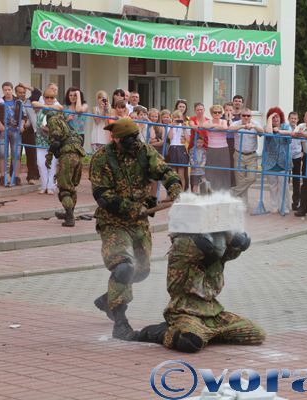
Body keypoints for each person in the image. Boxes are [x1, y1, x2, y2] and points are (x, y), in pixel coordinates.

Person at [89, 118, 182, 340]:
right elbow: (102, 195)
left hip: (139, 223)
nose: (134, 142)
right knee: (124, 268)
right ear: (116, 139)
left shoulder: (144, 151)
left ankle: (109, 299)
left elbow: (164, 171)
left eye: (136, 137)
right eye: (128, 139)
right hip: (113, 222)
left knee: (141, 270)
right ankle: (120, 322)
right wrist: (132, 208)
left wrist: (175, 188)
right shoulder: (102, 158)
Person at [134, 199, 265, 352]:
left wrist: (236, 238)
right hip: (185, 313)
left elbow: (233, 248)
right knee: (189, 341)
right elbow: (193, 244)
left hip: (213, 314)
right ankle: (161, 332)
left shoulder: (217, 252)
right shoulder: (182, 250)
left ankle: (207, 334)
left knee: (256, 334)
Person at [44, 110, 86, 227]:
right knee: (71, 187)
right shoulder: (66, 124)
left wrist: (49, 156)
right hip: (78, 156)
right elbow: (80, 139)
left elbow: (56, 141)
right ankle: (69, 213)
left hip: (67, 157)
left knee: (64, 189)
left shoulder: (53, 120)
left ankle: (70, 218)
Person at [229, 108, 264, 205]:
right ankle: (243, 205)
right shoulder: (236, 123)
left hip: (251, 155)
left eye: (248, 115)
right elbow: (230, 129)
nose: (246, 117)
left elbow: (262, 131)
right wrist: (243, 126)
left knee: (252, 178)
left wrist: (253, 126)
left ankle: (233, 192)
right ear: (240, 116)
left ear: (251, 116)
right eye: (244, 115)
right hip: (238, 155)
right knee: (240, 181)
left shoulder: (255, 123)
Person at [31, 88, 63, 195]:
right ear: (43, 98)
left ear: (54, 98)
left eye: (51, 97)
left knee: (52, 165)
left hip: (53, 142)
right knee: (40, 164)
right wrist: (45, 106)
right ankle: (44, 185)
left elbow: (60, 107)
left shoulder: (56, 107)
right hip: (40, 141)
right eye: (47, 97)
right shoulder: (40, 106)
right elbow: (33, 103)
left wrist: (49, 106)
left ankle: (51, 186)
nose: (49, 99)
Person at [263, 107, 292, 214]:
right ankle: (274, 207)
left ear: (281, 118)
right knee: (272, 186)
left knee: (283, 186)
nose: (275, 119)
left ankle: (284, 206)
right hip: (270, 161)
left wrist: (279, 131)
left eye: (277, 117)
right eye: (273, 117)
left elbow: (290, 133)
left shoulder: (286, 126)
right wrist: (269, 118)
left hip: (283, 161)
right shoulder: (267, 126)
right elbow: (269, 133)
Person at [0, 81, 23, 185]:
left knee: (16, 154)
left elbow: (23, 115)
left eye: (9, 89)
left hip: (15, 131)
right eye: (5, 90)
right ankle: (3, 176)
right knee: (3, 154)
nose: (7, 92)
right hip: (3, 131)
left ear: (12, 90)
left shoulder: (18, 102)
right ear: (3, 91)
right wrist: (0, 124)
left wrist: (22, 125)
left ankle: (16, 177)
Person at [15, 83, 41, 185]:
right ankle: (15, 177)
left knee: (31, 154)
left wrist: (26, 86)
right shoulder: (15, 101)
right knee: (16, 153)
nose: (22, 94)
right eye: (20, 92)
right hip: (17, 130)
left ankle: (31, 177)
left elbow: (38, 92)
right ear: (16, 93)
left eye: (24, 92)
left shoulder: (31, 101)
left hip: (29, 130)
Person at [203, 105, 231, 191]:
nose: (217, 114)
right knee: (211, 170)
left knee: (224, 170)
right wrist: (216, 126)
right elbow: (204, 126)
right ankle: (212, 190)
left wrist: (213, 126)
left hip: (223, 148)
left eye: (219, 112)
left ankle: (224, 191)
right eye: (215, 112)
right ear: (211, 113)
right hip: (211, 148)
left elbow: (225, 127)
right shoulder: (208, 121)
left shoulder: (223, 121)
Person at [166, 110, 190, 190]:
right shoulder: (170, 126)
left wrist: (184, 128)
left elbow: (188, 139)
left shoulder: (184, 126)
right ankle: (175, 191)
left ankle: (182, 192)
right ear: (173, 118)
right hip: (172, 148)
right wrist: (172, 126)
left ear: (182, 118)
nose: (178, 119)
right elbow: (170, 137)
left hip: (181, 148)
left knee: (181, 174)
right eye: (176, 117)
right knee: (174, 174)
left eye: (179, 117)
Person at [288, 111, 302, 211]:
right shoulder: (285, 128)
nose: (293, 120)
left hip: (297, 157)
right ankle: (285, 202)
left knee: (296, 181)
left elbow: (303, 142)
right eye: (292, 118)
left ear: (297, 120)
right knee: (286, 180)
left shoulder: (300, 129)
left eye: (295, 118)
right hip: (287, 156)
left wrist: (302, 152)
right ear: (289, 119)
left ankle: (296, 203)